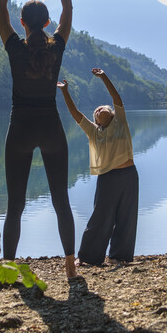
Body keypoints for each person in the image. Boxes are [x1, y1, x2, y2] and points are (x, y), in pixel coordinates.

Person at [0, 0, 78, 278]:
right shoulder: (56, 46)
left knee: (16, 204)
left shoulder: (14, 46)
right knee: (61, 201)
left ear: (22, 23)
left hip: (20, 129)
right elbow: (68, 13)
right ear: (46, 22)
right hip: (52, 127)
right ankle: (71, 269)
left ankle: (8, 268)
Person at [57, 69, 139, 267]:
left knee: (126, 216)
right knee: (101, 216)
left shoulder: (120, 123)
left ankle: (119, 257)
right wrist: (65, 91)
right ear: (96, 120)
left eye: (103, 107)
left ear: (111, 113)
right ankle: (87, 257)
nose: (100, 109)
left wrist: (104, 77)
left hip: (128, 175)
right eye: (96, 110)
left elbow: (116, 97)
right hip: (108, 178)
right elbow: (76, 114)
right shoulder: (94, 132)